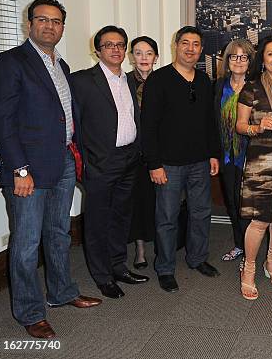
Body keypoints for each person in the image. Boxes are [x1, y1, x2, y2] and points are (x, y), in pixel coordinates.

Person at [0, 0, 101, 338]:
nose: (49, 26)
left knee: (58, 234)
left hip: (63, 161)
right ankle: (29, 311)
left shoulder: (61, 65)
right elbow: (3, 120)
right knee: (26, 243)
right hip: (30, 169)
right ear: (30, 24)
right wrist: (19, 170)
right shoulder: (11, 62)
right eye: (42, 19)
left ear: (62, 27)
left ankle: (62, 293)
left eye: (56, 21)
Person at [141, 26, 220, 293]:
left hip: (199, 162)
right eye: (185, 43)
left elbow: (210, 122)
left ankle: (197, 258)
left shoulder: (203, 80)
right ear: (176, 45)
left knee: (201, 213)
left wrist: (212, 153)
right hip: (168, 165)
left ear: (201, 48)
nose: (190, 48)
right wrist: (154, 164)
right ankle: (165, 268)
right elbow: (148, 126)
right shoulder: (159, 80)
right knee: (166, 218)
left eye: (195, 44)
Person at [72, 26, 149, 299]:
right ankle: (102, 275)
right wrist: (86, 158)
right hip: (100, 163)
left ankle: (118, 266)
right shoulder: (81, 81)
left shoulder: (128, 79)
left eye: (120, 45)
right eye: (108, 45)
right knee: (97, 222)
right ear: (97, 50)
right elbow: (73, 124)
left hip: (129, 159)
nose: (115, 49)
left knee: (120, 217)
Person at [236, 36, 272, 300]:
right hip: (261, 160)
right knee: (259, 220)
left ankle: (271, 263)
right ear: (263, 59)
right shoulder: (252, 88)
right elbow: (240, 126)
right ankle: (249, 268)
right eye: (271, 54)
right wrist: (257, 128)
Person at [214, 39, 254, 262]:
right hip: (227, 154)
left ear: (250, 61)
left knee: (249, 204)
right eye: (234, 56)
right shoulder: (219, 86)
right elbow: (211, 122)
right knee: (231, 201)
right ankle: (240, 244)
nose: (238, 61)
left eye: (243, 57)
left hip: (251, 154)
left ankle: (252, 250)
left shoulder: (256, 85)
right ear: (227, 61)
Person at [127, 36, 159, 269]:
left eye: (149, 53)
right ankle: (140, 248)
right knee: (138, 200)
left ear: (156, 57)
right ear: (131, 57)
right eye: (138, 53)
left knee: (161, 200)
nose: (144, 58)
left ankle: (163, 244)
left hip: (161, 150)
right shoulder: (123, 81)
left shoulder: (165, 80)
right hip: (134, 152)